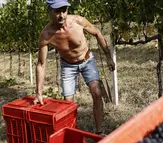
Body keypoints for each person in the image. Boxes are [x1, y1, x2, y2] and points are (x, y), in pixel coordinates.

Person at [33, 0, 115, 134]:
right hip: (68, 66)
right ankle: (71, 134)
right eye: (57, 11)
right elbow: (41, 64)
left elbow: (98, 33)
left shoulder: (78, 21)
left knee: (97, 93)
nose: (62, 15)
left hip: (87, 60)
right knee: (68, 103)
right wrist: (39, 93)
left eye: (64, 10)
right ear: (49, 11)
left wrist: (108, 57)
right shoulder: (46, 35)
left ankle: (99, 132)